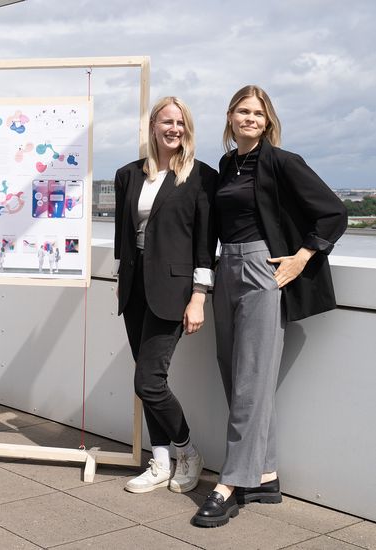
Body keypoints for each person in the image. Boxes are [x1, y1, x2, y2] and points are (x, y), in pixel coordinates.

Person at [192, 85, 347, 528]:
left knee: (252, 379)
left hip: (263, 269)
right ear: (230, 116)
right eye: (243, 111)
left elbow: (333, 212)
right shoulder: (227, 164)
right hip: (226, 268)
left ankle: (231, 484)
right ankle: (265, 475)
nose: (250, 119)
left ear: (268, 121)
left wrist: (302, 256)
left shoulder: (282, 161)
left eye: (258, 113)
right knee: (232, 370)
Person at [114, 97, 216, 496]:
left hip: (173, 290)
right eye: (166, 121)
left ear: (187, 129)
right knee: (146, 382)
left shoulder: (201, 176)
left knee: (149, 381)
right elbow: (124, 237)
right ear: (152, 126)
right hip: (134, 288)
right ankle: (159, 461)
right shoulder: (128, 174)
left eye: (180, 122)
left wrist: (198, 296)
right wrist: (121, 279)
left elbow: (206, 244)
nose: (174, 128)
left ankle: (187, 452)